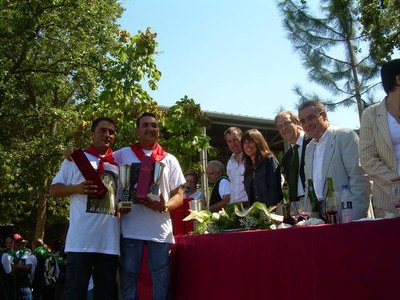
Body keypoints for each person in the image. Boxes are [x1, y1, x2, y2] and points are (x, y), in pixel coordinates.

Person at [113, 112, 185, 300]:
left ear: (158, 131)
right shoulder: (122, 154)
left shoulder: (170, 159)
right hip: (129, 229)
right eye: (145, 125)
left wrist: (164, 206)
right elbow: (99, 163)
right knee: (127, 282)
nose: (150, 129)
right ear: (137, 130)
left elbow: (179, 195)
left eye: (153, 125)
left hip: (159, 231)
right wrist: (73, 156)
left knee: (162, 283)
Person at [49, 117, 120, 300]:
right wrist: (77, 189)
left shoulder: (118, 164)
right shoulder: (76, 160)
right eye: (102, 130)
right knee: (75, 293)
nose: (107, 135)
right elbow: (53, 189)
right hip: (81, 242)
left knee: (107, 295)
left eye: (111, 132)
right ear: (92, 134)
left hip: (109, 244)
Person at [298, 100, 371, 220]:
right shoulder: (309, 148)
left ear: (324, 116)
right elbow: (308, 186)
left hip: (347, 216)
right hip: (318, 218)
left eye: (311, 118)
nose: (307, 124)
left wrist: (355, 219)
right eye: (303, 121)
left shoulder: (345, 136)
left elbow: (359, 179)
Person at [359, 58, 400, 218]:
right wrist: (396, 184)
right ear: (398, 79)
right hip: (388, 203)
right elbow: (367, 158)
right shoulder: (371, 114)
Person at [241, 129, 284, 207]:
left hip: (272, 211)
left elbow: (275, 190)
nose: (247, 145)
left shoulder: (269, 160)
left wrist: (271, 211)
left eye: (250, 142)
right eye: (244, 143)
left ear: (259, 143)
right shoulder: (248, 166)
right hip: (255, 213)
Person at [275, 111, 311, 202]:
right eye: (280, 127)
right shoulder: (286, 158)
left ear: (297, 123)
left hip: (315, 201)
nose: (284, 129)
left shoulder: (313, 142)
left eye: (286, 123)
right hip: (297, 205)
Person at [224, 127, 248, 206]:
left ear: (242, 139)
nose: (233, 144)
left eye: (235, 139)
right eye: (229, 141)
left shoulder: (251, 158)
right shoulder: (230, 163)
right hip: (235, 207)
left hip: (250, 206)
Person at [12, 233, 34, 300]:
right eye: (16, 242)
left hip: (24, 284)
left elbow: (29, 267)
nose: (19, 243)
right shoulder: (6, 253)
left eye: (20, 241)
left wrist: (15, 266)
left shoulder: (26, 252)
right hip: (11, 285)